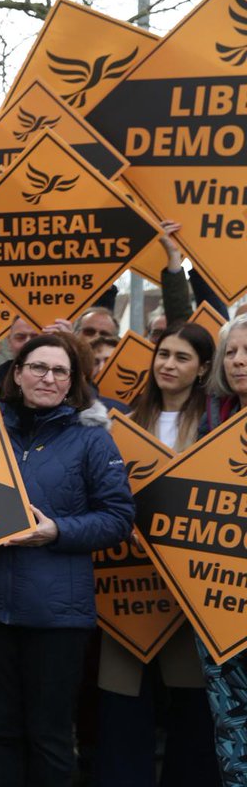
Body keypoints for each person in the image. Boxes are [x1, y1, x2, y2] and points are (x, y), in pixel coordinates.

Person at [0, 333, 134, 787]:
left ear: (72, 382)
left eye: (60, 371)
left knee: (50, 737)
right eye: (38, 367)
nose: (48, 377)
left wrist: (57, 531)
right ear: (16, 374)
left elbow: (118, 519)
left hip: (58, 618)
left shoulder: (92, 441)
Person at [94, 323, 219, 787]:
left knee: (191, 707)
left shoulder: (215, 427)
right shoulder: (121, 421)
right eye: (163, 354)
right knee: (123, 699)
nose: (168, 364)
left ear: (204, 367)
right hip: (126, 583)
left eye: (182, 357)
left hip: (189, 594)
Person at [197, 313, 247, 785]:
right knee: (231, 726)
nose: (238, 360)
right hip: (219, 602)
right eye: (231, 351)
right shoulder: (210, 420)